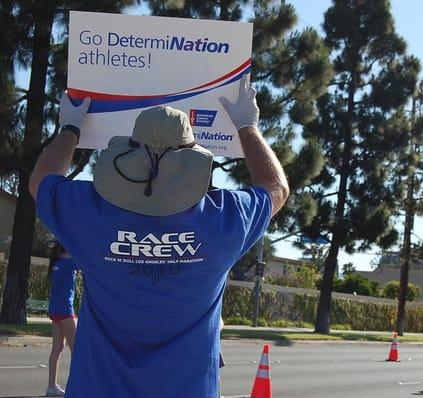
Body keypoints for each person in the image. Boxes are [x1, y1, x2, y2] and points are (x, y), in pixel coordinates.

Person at [28, 75, 289, 398]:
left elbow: (41, 181)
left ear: (129, 154)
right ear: (191, 161)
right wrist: (247, 126)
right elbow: (276, 188)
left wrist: (70, 128)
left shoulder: (90, 212)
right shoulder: (222, 219)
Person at [45, 241, 79, 397]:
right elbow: (89, 264)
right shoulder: (70, 263)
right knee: (77, 350)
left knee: (57, 349)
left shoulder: (56, 264)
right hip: (65, 309)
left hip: (54, 309)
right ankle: (77, 387)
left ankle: (51, 387)